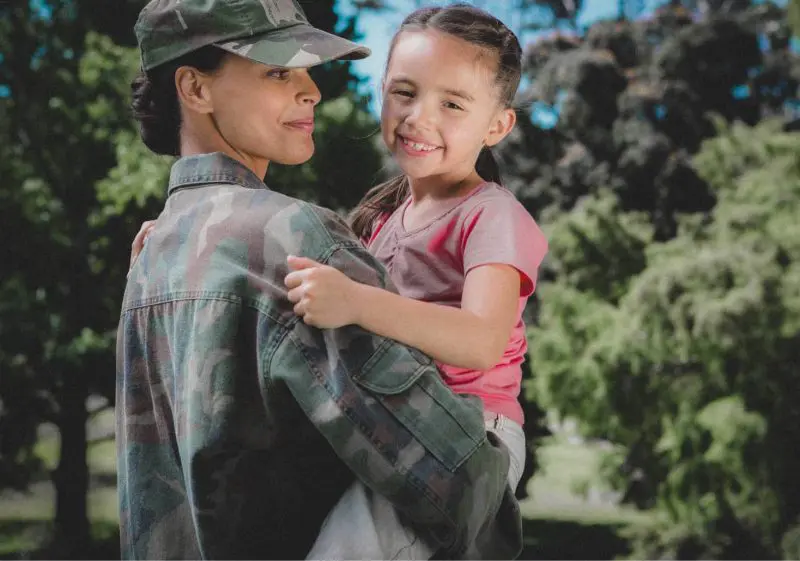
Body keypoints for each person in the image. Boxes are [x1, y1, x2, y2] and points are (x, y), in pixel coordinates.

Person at [117, 0, 522, 560]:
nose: (312, 91)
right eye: (278, 71)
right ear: (196, 88)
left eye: (308, 72)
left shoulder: (153, 252)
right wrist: (495, 489)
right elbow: (448, 471)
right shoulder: (291, 235)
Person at [281, 5, 548, 560]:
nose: (418, 117)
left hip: (469, 429)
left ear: (497, 125)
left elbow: (479, 341)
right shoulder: (381, 216)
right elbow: (297, 270)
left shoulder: (491, 215)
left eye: (452, 104)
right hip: (394, 415)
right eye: (404, 92)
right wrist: (190, 229)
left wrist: (356, 301)